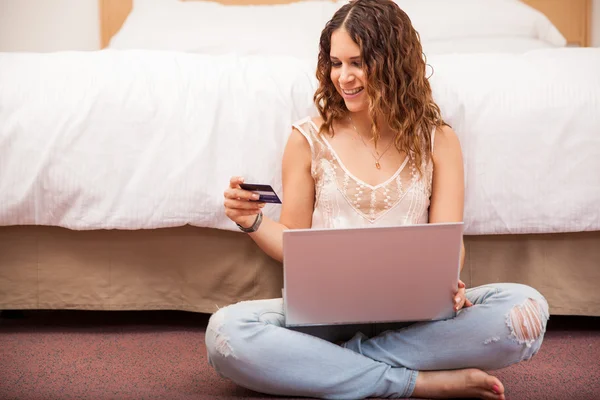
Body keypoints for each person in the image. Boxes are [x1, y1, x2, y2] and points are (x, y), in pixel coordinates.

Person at [207, 1, 549, 399]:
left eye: (357, 63)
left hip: (415, 316)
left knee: (527, 309)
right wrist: (253, 222)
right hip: (322, 315)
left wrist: (447, 283)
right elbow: (293, 243)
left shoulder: (439, 140)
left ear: (392, 61)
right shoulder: (307, 138)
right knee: (225, 332)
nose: (344, 77)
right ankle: (415, 382)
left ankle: (325, 363)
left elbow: (448, 243)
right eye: (335, 63)